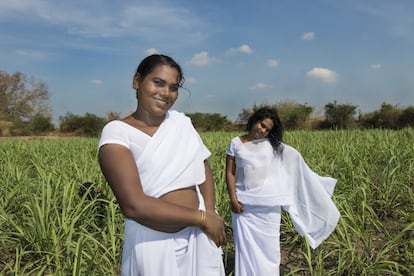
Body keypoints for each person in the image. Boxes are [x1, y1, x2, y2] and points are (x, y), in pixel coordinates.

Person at [98, 54, 226, 276]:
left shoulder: (181, 123)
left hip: (197, 237)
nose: (166, 93)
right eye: (158, 82)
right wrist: (203, 218)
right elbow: (134, 205)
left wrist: (211, 211)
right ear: (137, 81)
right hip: (152, 243)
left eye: (174, 87)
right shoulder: (117, 132)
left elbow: (202, 166)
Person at [226, 107, 340, 276]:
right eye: (261, 124)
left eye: (267, 129)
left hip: (268, 207)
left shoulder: (273, 146)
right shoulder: (236, 143)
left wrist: (313, 180)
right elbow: (230, 173)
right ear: (255, 120)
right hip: (243, 205)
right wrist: (233, 200)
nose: (262, 130)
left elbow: (295, 162)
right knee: (245, 249)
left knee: (270, 249)